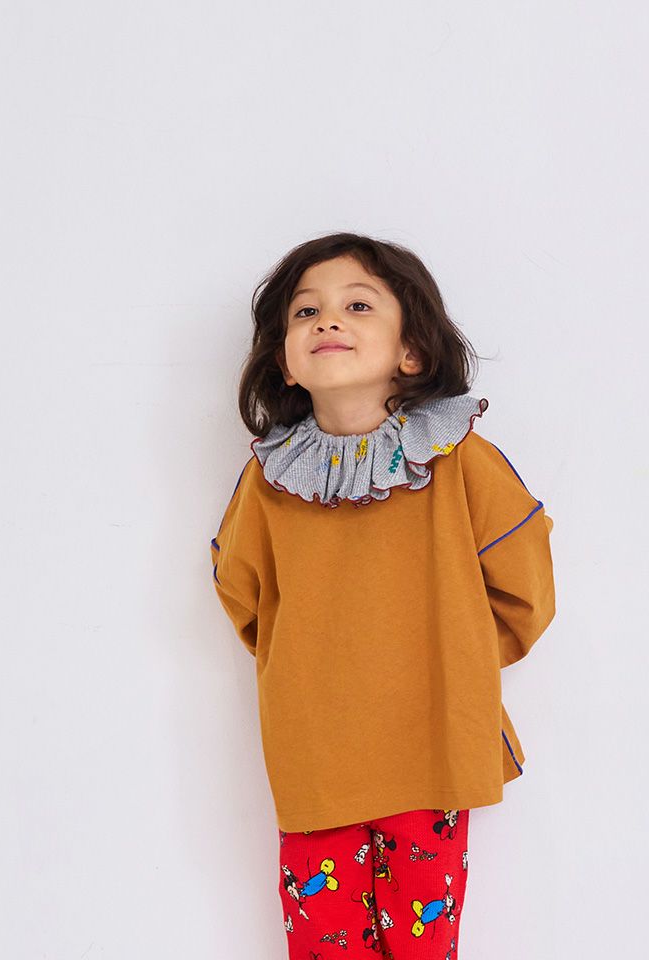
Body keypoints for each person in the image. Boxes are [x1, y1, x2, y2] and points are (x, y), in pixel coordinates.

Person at [209, 232, 556, 959]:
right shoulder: (270, 481)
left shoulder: (460, 461)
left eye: (358, 305)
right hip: (314, 764)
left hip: (432, 758)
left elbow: (525, 588)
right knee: (324, 947)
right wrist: (311, 670)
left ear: (413, 352)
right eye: (305, 312)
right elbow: (243, 596)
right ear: (286, 362)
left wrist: (454, 661)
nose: (327, 321)